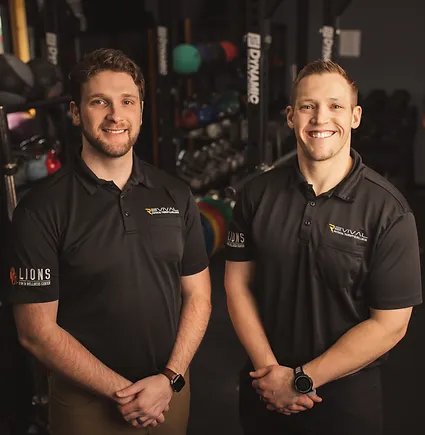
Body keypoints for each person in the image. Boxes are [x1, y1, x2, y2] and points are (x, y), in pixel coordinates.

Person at [8, 48, 212, 435]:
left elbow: (199, 296)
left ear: (140, 110)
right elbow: (36, 332)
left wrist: (169, 378)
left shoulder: (176, 193)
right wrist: (127, 394)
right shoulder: (40, 210)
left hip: (169, 390)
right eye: (99, 101)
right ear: (74, 112)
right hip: (88, 401)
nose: (116, 115)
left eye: (127, 102)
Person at [224, 59, 422, 435]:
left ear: (355, 116)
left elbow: (391, 325)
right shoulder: (255, 195)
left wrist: (301, 380)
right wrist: (272, 375)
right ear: (290, 116)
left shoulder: (388, 211)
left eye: (335, 106)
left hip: (344, 401)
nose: (320, 118)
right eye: (307, 106)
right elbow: (237, 285)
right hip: (263, 386)